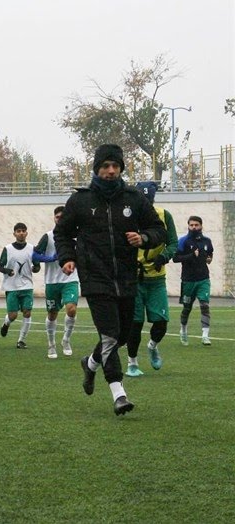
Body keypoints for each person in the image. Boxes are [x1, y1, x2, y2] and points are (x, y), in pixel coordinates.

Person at [54, 144, 166, 416]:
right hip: (95, 279)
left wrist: (144, 238)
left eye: (115, 166)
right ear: (96, 169)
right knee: (109, 335)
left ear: (121, 169)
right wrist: (67, 257)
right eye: (105, 166)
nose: (111, 171)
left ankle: (91, 364)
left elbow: (158, 229)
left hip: (127, 277)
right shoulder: (80, 201)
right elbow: (62, 234)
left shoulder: (134, 198)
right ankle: (119, 393)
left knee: (123, 336)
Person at [120, 182, 178, 375]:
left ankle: (152, 345)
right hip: (133, 279)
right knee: (134, 324)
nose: (146, 202)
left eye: (149, 199)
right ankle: (132, 363)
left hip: (156, 279)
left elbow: (173, 243)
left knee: (161, 322)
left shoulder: (163, 215)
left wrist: (164, 256)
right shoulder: (126, 216)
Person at [33, 206, 79, 359]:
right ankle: (51, 344)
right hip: (52, 282)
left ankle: (66, 340)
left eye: (62, 217)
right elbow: (34, 255)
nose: (59, 219)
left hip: (70, 279)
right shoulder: (48, 236)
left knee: (71, 309)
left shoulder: (76, 236)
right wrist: (50, 258)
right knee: (52, 314)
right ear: (54, 218)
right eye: (57, 217)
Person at [173, 215, 214, 346]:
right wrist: (191, 255)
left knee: (204, 305)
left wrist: (209, 259)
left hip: (203, 279)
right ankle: (183, 330)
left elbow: (210, 255)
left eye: (196, 225)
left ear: (201, 226)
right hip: (188, 280)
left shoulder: (207, 241)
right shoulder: (183, 241)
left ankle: (205, 335)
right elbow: (175, 258)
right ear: (188, 226)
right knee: (187, 308)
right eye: (191, 225)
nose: (194, 227)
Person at [0, 223, 40, 349]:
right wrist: (8, 271)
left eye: (23, 231)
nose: (21, 233)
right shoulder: (8, 249)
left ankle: (21, 340)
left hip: (27, 286)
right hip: (12, 287)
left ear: (26, 233)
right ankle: (6, 323)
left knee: (27, 312)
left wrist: (35, 268)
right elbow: (0, 266)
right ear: (14, 233)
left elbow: (37, 265)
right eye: (18, 231)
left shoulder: (32, 248)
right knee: (13, 315)